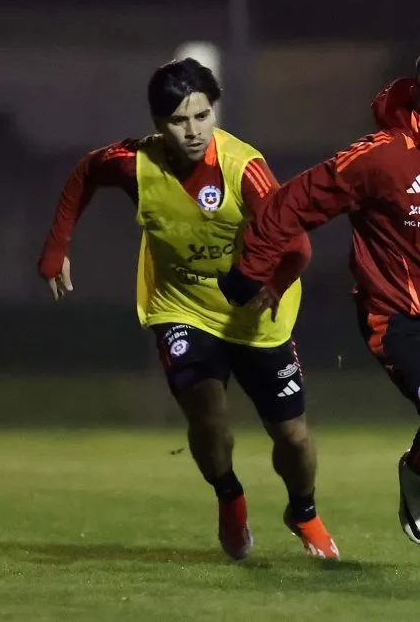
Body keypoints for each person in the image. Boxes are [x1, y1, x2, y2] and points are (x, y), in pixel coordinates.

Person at [218, 44, 420, 567]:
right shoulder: (380, 156)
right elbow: (293, 203)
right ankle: (417, 470)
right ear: (419, 97)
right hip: (401, 323)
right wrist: (251, 269)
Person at [37, 58, 339, 560]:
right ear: (158, 124)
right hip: (181, 307)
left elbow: (298, 246)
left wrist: (276, 283)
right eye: (179, 120)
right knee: (208, 417)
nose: (194, 130)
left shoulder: (244, 167)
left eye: (202, 115)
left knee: (293, 437)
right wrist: (57, 245)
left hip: (258, 314)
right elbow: (86, 171)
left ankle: (302, 511)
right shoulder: (135, 163)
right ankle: (230, 498)